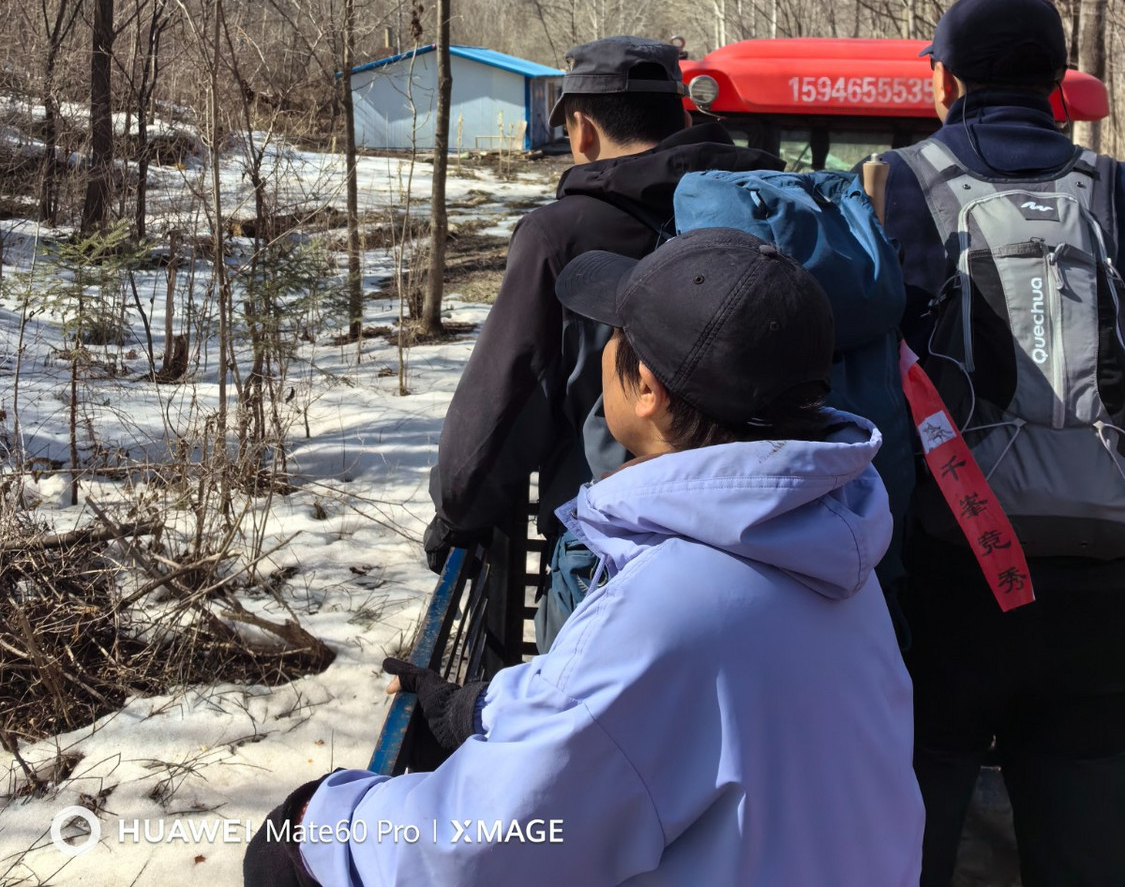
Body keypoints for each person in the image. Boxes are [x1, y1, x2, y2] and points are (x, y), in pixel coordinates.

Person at [245, 228, 923, 887]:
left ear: (647, 388)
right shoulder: (826, 544)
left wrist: (320, 827)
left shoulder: (674, 603)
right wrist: (483, 709)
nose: (604, 350)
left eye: (615, 335)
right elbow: (658, 719)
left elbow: (474, 850)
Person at [877, 0, 1125, 887]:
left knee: (923, 801)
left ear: (945, 81)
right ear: (1058, 82)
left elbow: (876, 374)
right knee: (1084, 814)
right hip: (1105, 566)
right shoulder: (1113, 187)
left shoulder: (902, 183)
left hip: (957, 560)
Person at [423, 35, 780, 571]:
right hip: (774, 525)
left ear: (582, 128)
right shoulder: (767, 206)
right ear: (684, 120)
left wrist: (458, 511)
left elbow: (508, 393)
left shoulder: (561, 235)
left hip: (618, 543)